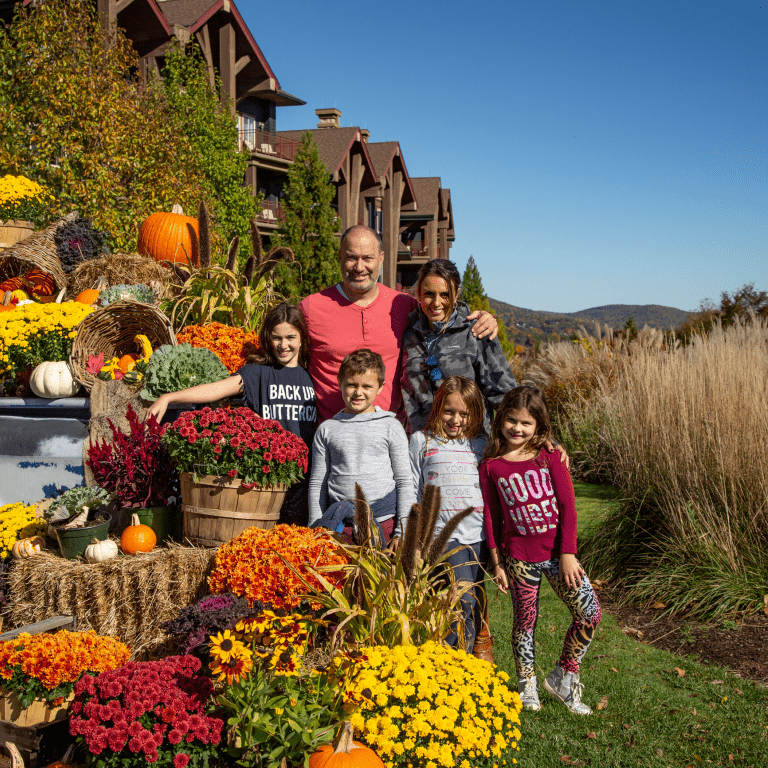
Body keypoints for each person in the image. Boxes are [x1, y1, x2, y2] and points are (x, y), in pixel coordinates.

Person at [480, 386, 602, 715]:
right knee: (525, 624)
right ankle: (527, 685)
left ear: (538, 427)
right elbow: (490, 515)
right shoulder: (491, 466)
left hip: (558, 555)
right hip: (518, 557)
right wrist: (497, 561)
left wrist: (568, 553)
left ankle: (564, 674)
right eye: (511, 420)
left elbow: (568, 505)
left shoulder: (549, 456)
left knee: (590, 613)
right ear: (500, 419)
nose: (517, 429)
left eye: (526, 423)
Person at [299, 226, 498, 422]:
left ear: (381, 258)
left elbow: (441, 314)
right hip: (332, 438)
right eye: (352, 258)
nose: (359, 267)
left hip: (392, 439)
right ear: (340, 257)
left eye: (367, 258)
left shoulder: (404, 306)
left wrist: (479, 317)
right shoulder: (311, 308)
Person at [147, 302, 316, 524]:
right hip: (269, 482)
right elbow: (217, 389)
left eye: (290, 337)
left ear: (302, 338)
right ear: (267, 338)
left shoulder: (313, 375)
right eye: (277, 337)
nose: (283, 345)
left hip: (305, 484)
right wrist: (169, 397)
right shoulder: (258, 374)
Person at [409, 376, 488, 654]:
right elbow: (413, 487)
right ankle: (447, 659)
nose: (456, 420)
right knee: (460, 600)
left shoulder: (479, 445)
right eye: (449, 411)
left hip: (477, 536)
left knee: (474, 602)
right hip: (444, 536)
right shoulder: (422, 441)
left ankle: (462, 663)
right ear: (438, 409)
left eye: (464, 414)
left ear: (474, 415)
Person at [308, 348, 415, 546]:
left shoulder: (390, 426)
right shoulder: (327, 429)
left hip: (384, 525)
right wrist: (316, 527)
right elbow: (318, 484)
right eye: (351, 385)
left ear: (380, 387)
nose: (358, 392)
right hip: (340, 527)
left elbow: (405, 482)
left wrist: (402, 531)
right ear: (340, 383)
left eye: (367, 386)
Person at [401, 258, 517, 435]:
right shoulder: (409, 335)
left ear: (456, 294)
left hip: (469, 447)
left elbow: (504, 395)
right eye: (429, 294)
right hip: (421, 449)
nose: (436, 302)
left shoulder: (476, 332)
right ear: (419, 293)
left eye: (445, 294)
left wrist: (538, 435)